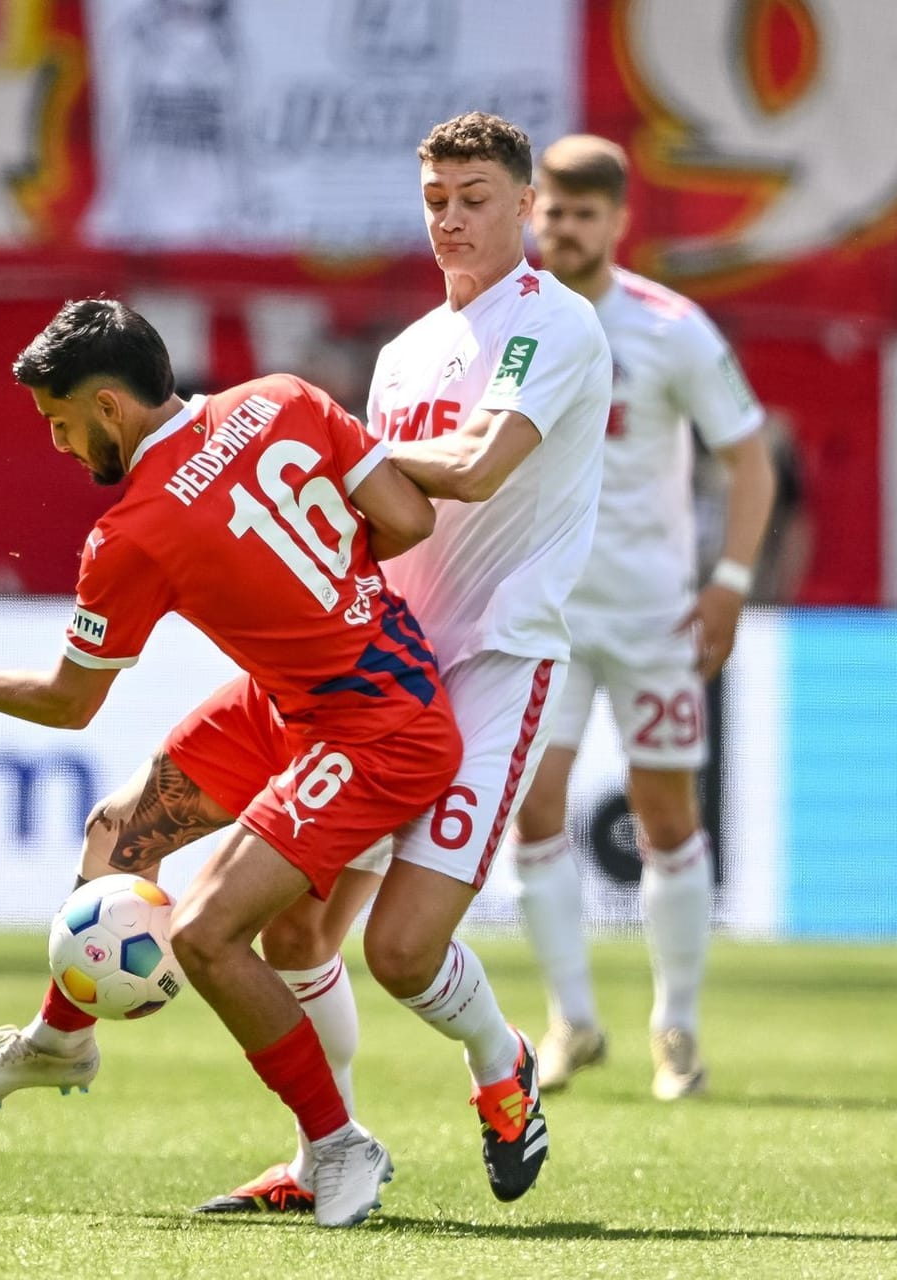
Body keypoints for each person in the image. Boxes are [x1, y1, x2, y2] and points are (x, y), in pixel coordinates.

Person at [0, 298, 460, 1229]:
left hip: (378, 729)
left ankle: (339, 1146)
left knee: (208, 937)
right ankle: (61, 1041)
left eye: (59, 423)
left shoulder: (131, 536)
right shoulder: (283, 397)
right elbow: (407, 519)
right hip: (314, 686)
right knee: (118, 833)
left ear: (109, 408)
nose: (58, 444)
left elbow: (66, 702)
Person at [196, 111, 613, 1215]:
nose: (453, 221)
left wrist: (325, 446)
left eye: (476, 199)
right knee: (291, 928)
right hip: (386, 669)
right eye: (436, 201)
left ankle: (499, 1062)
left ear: (526, 207)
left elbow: (473, 468)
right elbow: (380, 517)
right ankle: (324, 1153)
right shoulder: (399, 355)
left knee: (405, 947)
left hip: (494, 665)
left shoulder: (553, 325)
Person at [489, 133, 774, 1101]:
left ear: (616, 222)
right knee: (532, 805)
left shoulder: (670, 326)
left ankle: (678, 1025)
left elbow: (751, 455)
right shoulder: (505, 321)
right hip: (547, 615)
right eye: (551, 213)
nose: (564, 230)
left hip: (654, 615)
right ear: (531, 213)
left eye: (583, 215)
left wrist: (730, 576)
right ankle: (571, 1018)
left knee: (666, 815)